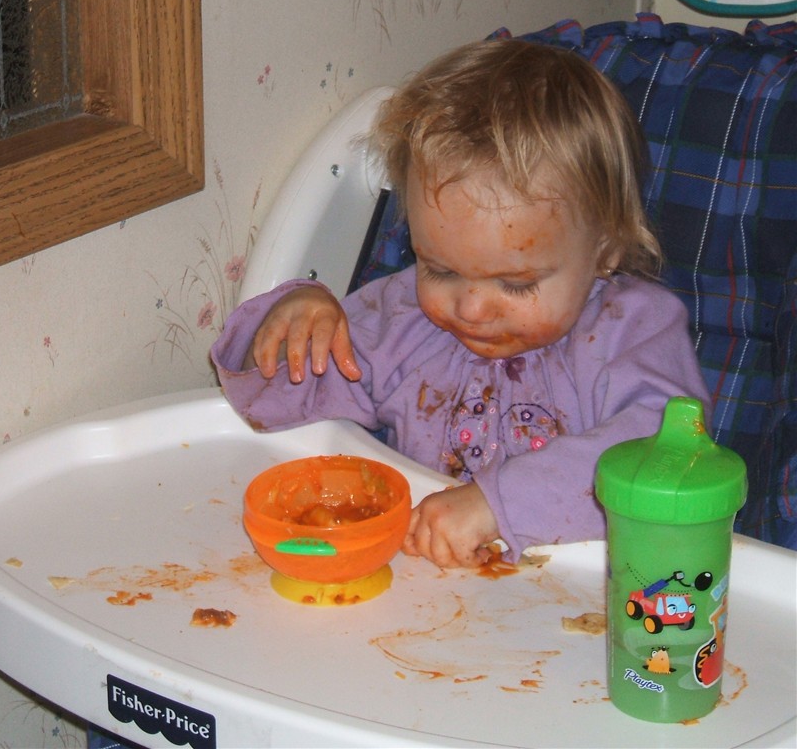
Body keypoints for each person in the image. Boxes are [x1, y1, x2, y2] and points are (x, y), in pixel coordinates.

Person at [211, 39, 710, 568]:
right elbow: (275, 409)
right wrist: (286, 325)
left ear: (605, 250)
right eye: (441, 270)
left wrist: (500, 504)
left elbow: (667, 450)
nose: (470, 310)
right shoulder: (402, 319)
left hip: (600, 593)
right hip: (425, 587)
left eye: (515, 283)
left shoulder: (632, 329)